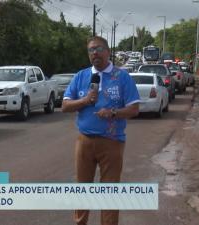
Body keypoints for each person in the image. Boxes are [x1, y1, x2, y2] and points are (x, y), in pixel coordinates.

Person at [62, 36, 140, 225]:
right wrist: (85, 100)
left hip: (112, 142)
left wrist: (113, 112)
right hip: (84, 141)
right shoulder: (81, 76)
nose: (94, 53)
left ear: (107, 51)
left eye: (98, 48)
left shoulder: (122, 77)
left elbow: (134, 109)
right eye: (90, 50)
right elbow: (65, 106)